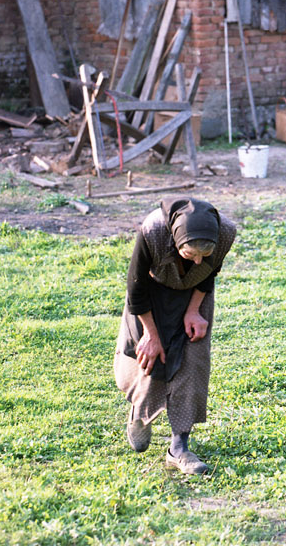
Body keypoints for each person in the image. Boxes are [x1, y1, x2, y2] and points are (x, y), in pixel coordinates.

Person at [114, 197, 236, 474]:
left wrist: (194, 311)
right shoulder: (153, 230)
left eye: (203, 255)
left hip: (194, 294)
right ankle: (141, 413)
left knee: (193, 361)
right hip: (150, 296)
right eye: (190, 254)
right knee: (150, 359)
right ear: (176, 241)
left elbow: (209, 272)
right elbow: (136, 288)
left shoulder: (224, 232)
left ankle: (179, 448)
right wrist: (151, 334)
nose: (198, 260)